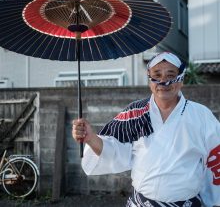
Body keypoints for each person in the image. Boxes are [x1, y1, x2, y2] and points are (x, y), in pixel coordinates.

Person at [72, 52, 220, 207]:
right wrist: (90, 137)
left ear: (181, 80)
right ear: (150, 80)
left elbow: (215, 160)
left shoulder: (201, 115)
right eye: (157, 74)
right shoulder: (134, 113)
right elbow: (114, 148)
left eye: (171, 75)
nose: (164, 81)